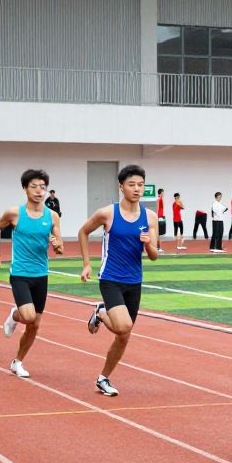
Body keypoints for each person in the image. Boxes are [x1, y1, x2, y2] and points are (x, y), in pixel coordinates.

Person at [78, 164, 159, 397]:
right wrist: (86, 264)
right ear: (121, 186)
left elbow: (154, 255)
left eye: (141, 185)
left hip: (135, 280)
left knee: (124, 335)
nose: (137, 189)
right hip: (111, 277)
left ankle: (103, 378)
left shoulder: (150, 217)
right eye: (132, 184)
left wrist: (147, 243)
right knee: (123, 326)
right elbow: (83, 231)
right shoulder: (108, 213)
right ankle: (102, 311)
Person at [0, 169, 63, 379]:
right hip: (20, 273)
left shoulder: (52, 216)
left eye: (42, 187)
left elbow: (60, 248)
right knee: (29, 316)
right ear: (25, 188)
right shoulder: (15, 213)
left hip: (41, 274)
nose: (39, 191)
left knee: (35, 324)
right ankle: (14, 315)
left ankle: (18, 361)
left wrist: (57, 245)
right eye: (34, 186)